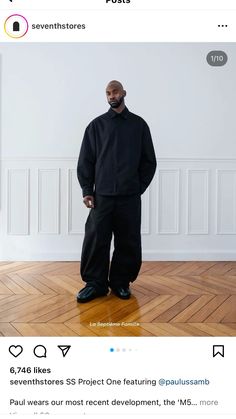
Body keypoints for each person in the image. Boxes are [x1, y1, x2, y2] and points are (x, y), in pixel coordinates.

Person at [76, 80, 156, 303]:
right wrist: (87, 190)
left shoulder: (139, 125)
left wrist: (138, 188)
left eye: (115, 92)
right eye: (108, 93)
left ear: (124, 93)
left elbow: (149, 161)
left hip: (129, 196)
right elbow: (86, 161)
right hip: (101, 197)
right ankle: (95, 284)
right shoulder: (96, 126)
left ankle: (121, 282)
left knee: (128, 241)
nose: (111, 96)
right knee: (95, 240)